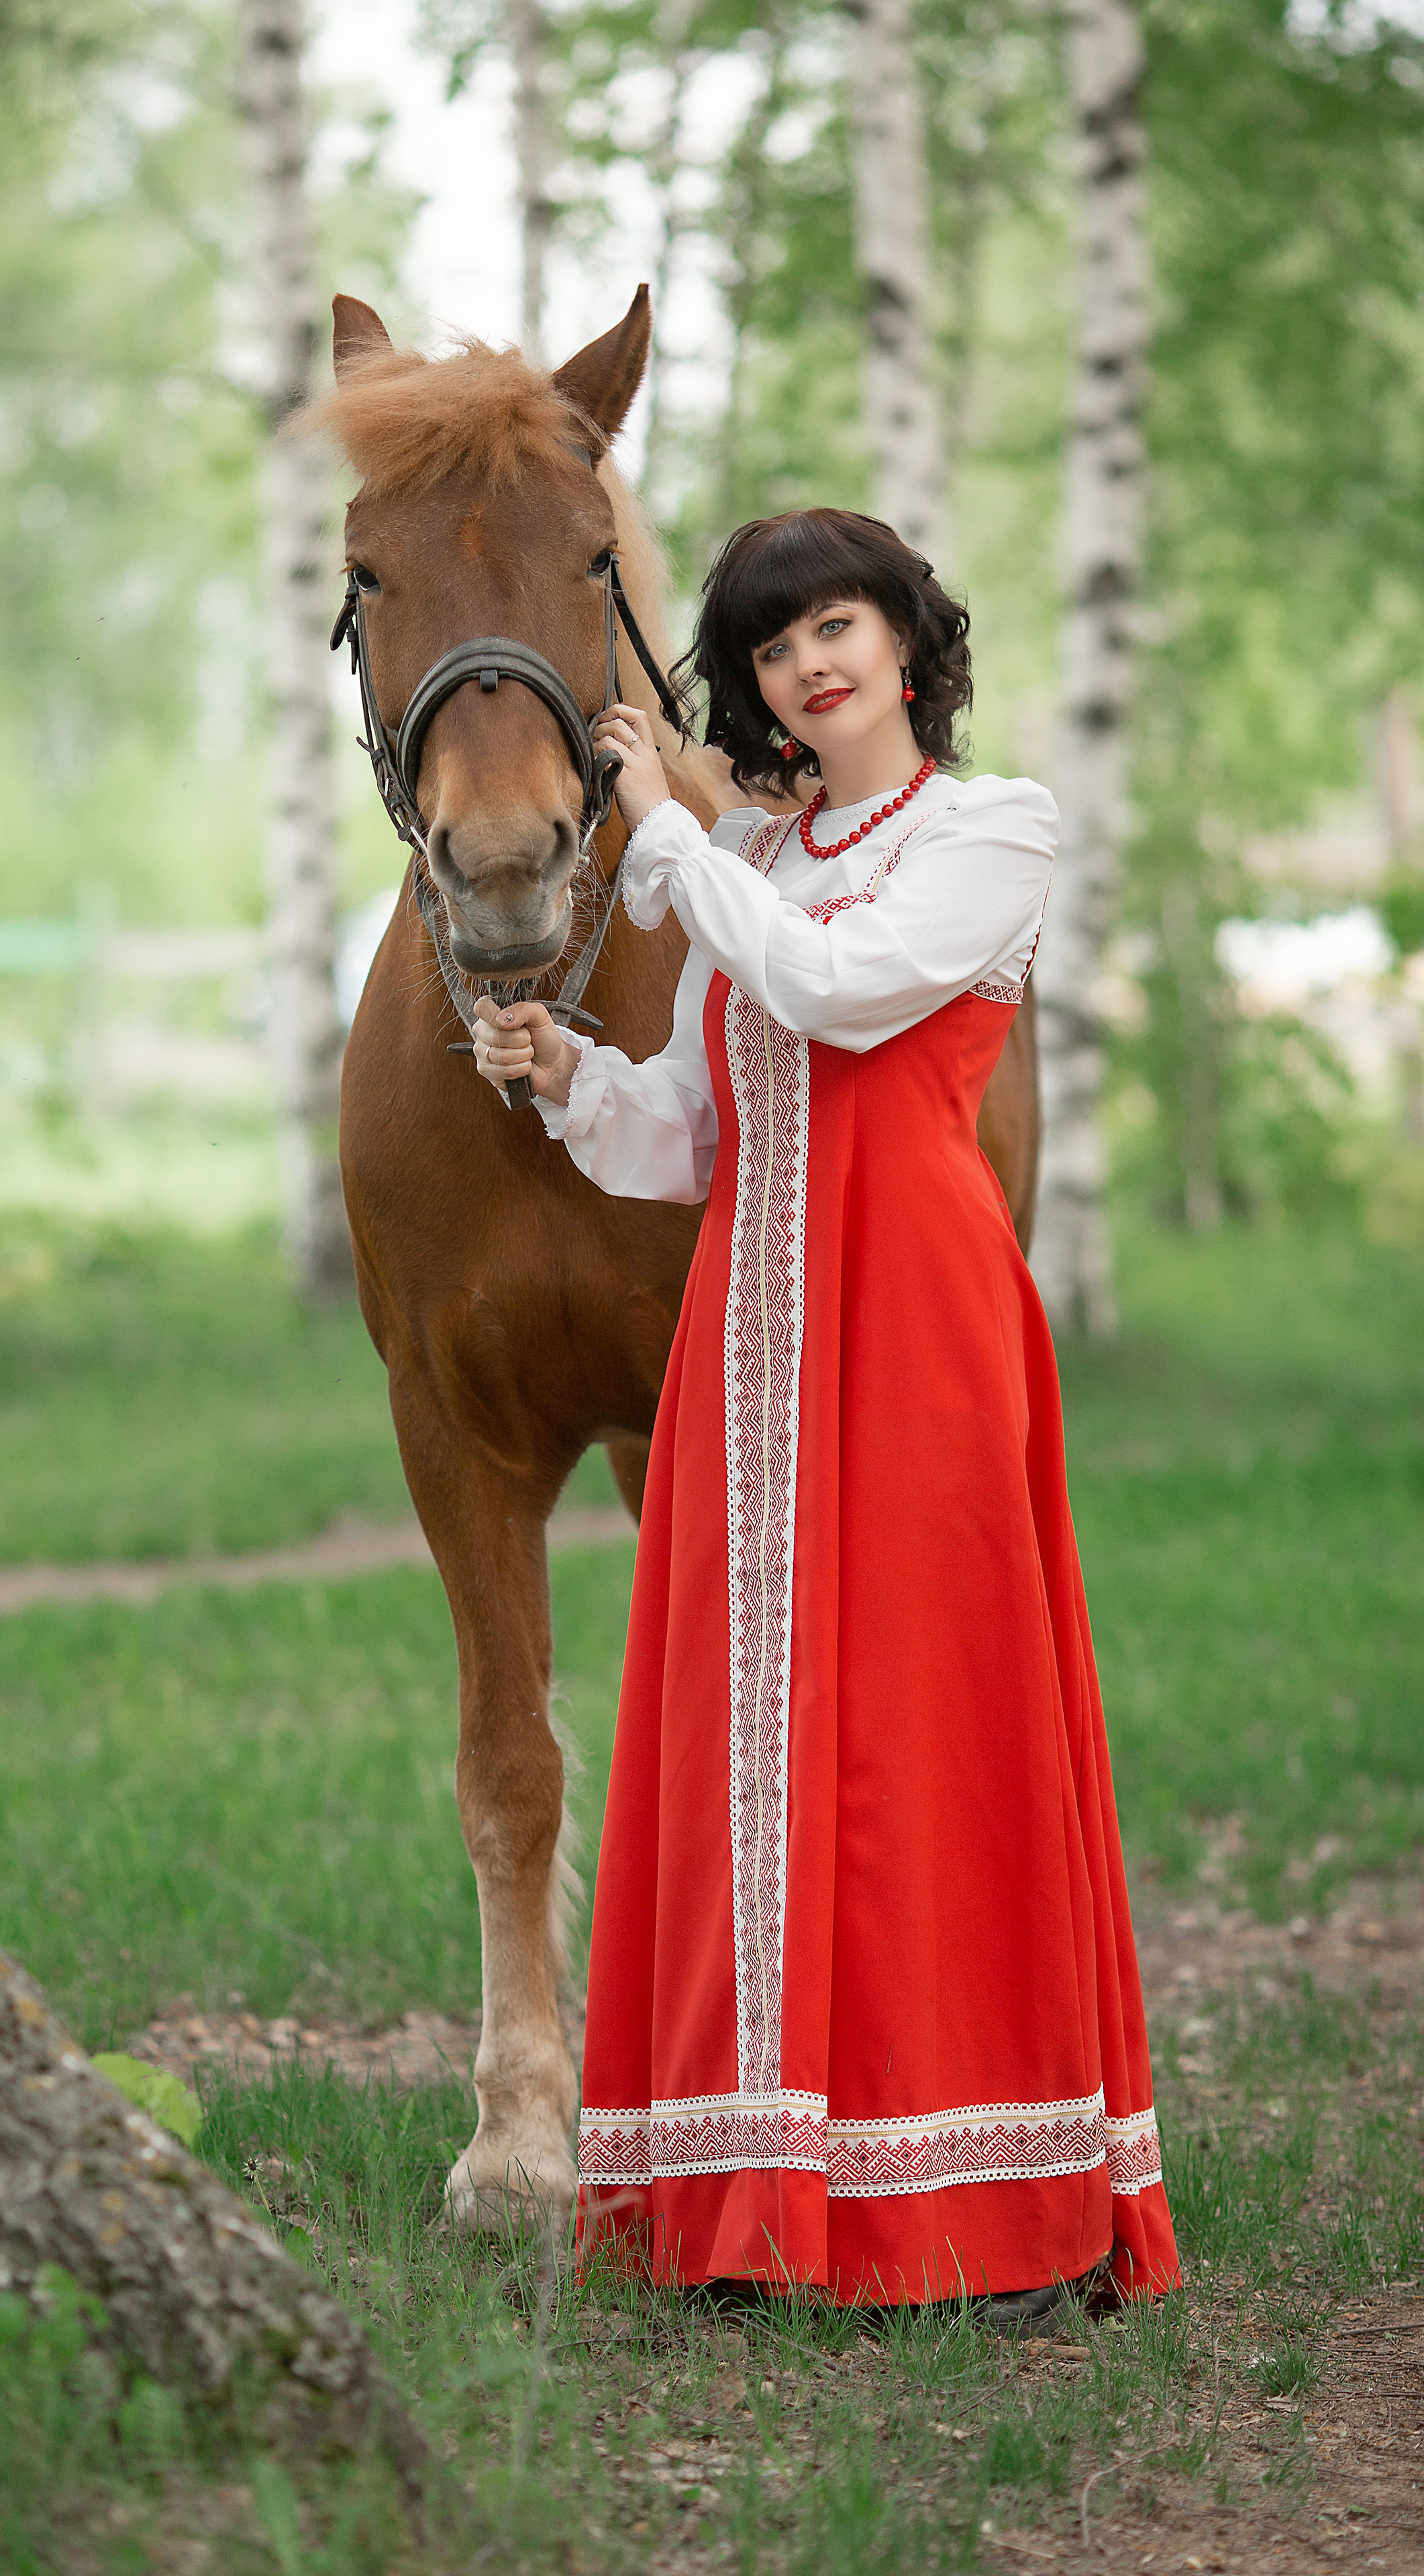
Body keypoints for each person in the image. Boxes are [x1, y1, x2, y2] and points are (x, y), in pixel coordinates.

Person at [472, 507, 1180, 2318]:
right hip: (754, 1336)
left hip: (923, 1322)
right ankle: (758, 2194)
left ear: (906, 638)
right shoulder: (762, 850)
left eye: (837, 624)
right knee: (756, 1745)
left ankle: (981, 2207)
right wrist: (567, 1073)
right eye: (776, 647)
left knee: (930, 1730)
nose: (811, 664)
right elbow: (694, 1136)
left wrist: (676, 835)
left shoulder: (988, 830)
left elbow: (840, 992)